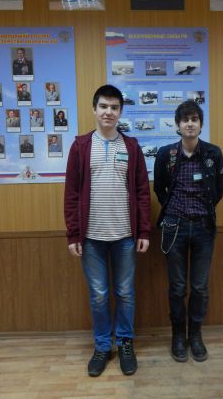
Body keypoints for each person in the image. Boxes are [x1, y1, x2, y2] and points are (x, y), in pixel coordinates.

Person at [64, 84, 151, 377]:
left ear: (121, 112)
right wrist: (73, 234)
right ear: (94, 109)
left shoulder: (132, 147)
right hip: (91, 238)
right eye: (103, 106)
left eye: (114, 107)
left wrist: (144, 232)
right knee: (99, 295)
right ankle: (102, 346)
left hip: (125, 236)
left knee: (125, 293)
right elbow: (71, 194)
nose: (108, 112)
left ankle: (125, 343)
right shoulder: (80, 147)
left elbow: (142, 192)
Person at [153, 100, 223, 363]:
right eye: (185, 120)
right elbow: (159, 188)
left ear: (200, 124)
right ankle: (177, 336)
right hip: (174, 227)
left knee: (200, 287)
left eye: (194, 119)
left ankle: (195, 335)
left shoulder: (213, 153)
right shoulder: (166, 154)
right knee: (177, 286)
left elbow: (219, 189)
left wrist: (201, 210)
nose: (190, 124)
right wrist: (174, 210)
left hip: (204, 227)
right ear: (178, 125)